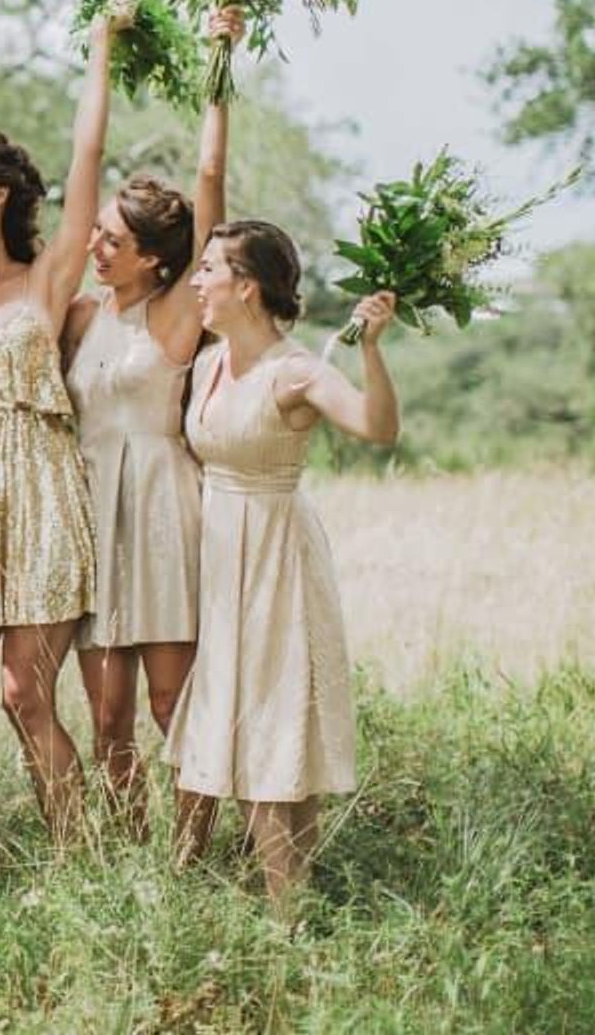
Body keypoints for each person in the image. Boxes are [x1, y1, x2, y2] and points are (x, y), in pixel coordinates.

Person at [0, 3, 126, 869]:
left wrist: (101, 47)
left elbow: (86, 161)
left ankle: (77, 866)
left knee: (21, 698)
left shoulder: (45, 282)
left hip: (39, 497)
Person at [169, 222, 399, 901]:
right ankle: (182, 878)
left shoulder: (297, 370)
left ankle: (285, 911)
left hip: (276, 559)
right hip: (219, 561)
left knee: (274, 714)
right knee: (218, 707)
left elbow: (376, 428)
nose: (196, 282)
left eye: (207, 270)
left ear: (246, 286)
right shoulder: (209, 362)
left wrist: (374, 353)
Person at [62, 7, 243, 830]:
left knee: (174, 700)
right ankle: (132, 845)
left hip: (164, 511)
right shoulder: (77, 316)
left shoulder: (177, 316)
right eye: (96, 236)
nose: (96, 249)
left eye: (112, 241)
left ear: (156, 259)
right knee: (107, 717)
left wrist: (218, 61)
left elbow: (210, 189)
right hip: (92, 509)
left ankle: (196, 845)